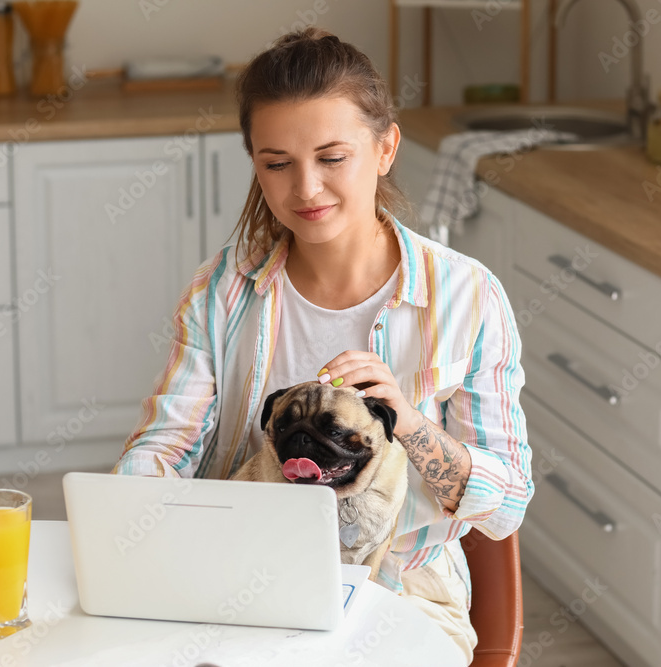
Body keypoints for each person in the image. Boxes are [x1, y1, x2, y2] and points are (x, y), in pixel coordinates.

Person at [111, 26, 533, 664]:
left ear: (386, 147)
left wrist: (409, 423)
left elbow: (506, 504)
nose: (305, 189)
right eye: (276, 163)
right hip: (243, 574)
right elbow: (170, 443)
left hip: (403, 592)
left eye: (333, 158)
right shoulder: (222, 292)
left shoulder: (467, 297)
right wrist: (125, 502)